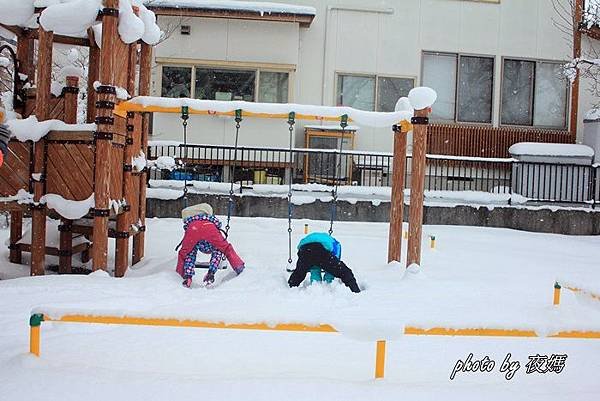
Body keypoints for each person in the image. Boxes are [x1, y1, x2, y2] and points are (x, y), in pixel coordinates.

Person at [176, 203, 245, 288]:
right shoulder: (209, 219)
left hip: (193, 229)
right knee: (223, 248)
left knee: (187, 252)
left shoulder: (192, 220)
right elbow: (217, 224)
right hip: (210, 228)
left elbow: (185, 247)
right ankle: (214, 273)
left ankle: (186, 276)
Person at [288, 232, 361, 293]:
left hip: (304, 250)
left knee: (300, 272)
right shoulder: (337, 244)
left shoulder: (322, 239)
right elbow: (335, 259)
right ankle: (355, 291)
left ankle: (290, 287)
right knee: (343, 271)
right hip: (320, 250)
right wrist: (330, 272)